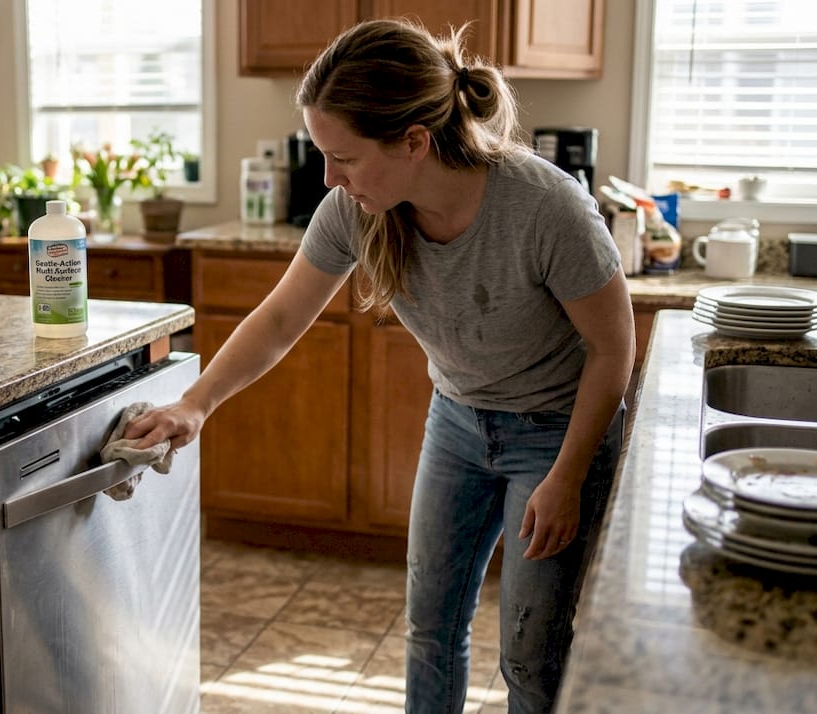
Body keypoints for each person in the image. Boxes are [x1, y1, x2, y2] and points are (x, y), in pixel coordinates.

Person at [124, 17, 634, 714]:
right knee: (431, 630)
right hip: (458, 423)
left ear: (413, 142)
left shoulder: (545, 208)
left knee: (530, 651)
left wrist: (568, 476)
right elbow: (279, 319)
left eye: (345, 157)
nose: (330, 177)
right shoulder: (355, 210)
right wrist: (197, 402)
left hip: (556, 434)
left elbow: (613, 349)